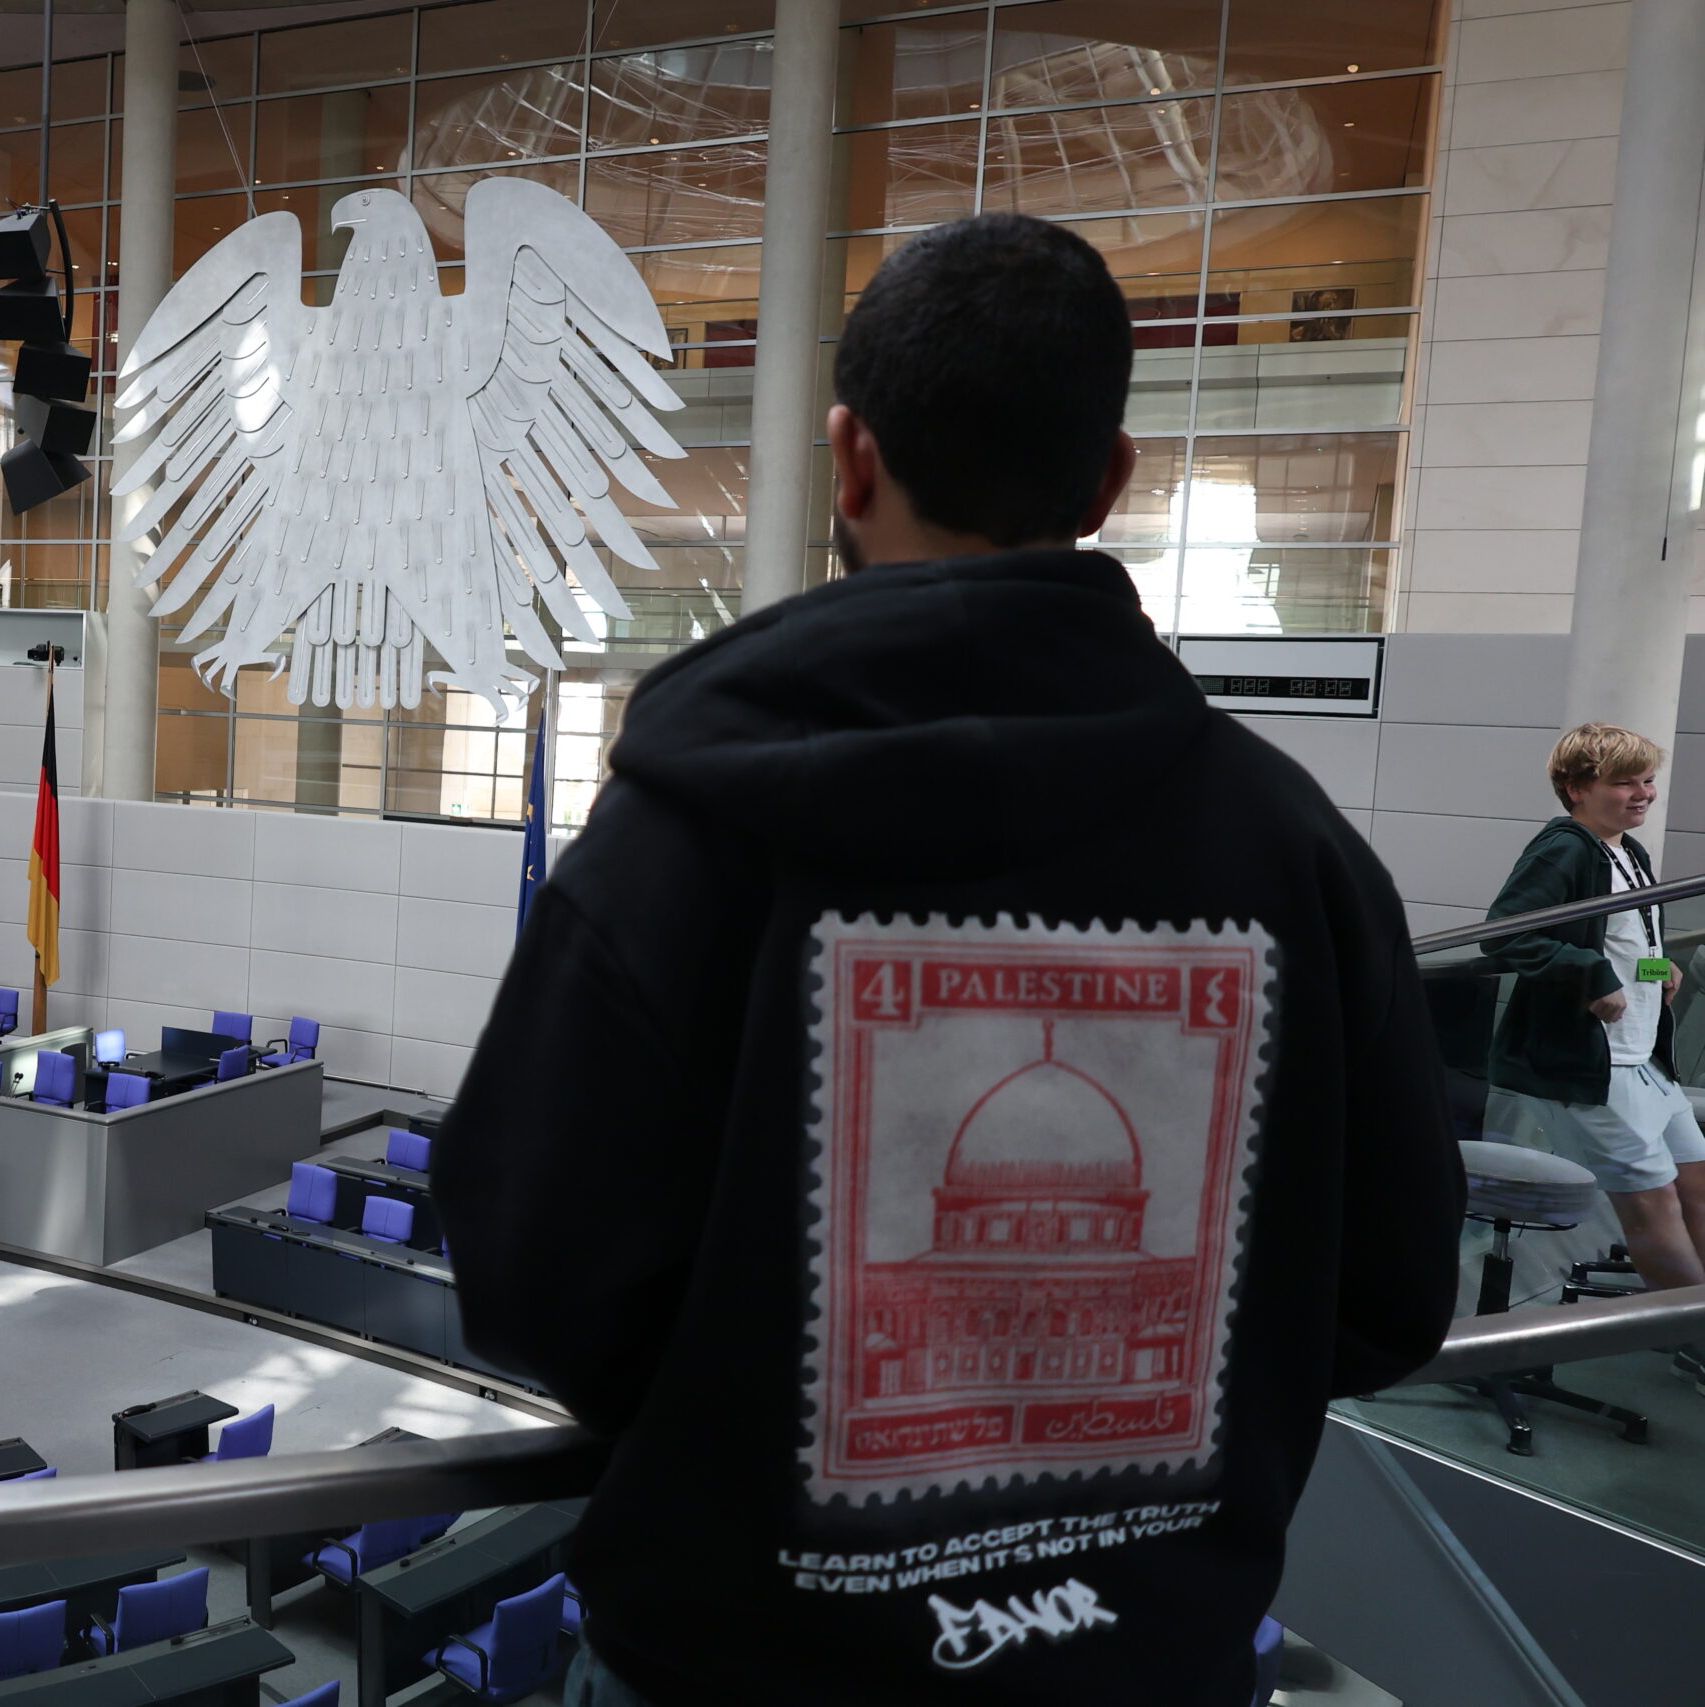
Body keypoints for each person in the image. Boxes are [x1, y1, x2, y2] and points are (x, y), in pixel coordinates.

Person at [434, 213, 1464, 1707]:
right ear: (1109, 482)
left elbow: (534, 1281)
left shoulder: (681, 840)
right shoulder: (1298, 853)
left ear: (848, 460)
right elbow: (1385, 1295)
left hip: (741, 1667)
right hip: (1143, 1667)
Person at [1484, 724, 1705, 1386]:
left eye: (1646, 779)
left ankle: (1689, 1316)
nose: (1643, 793)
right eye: (1625, 781)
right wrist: (1587, 973)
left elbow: (1630, 940)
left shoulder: (1627, 850)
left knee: (1696, 1183)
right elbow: (1505, 934)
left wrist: (1661, 968)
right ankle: (1694, 1337)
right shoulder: (1564, 846)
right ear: (1578, 789)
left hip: (1644, 1060)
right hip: (1589, 1070)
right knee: (1654, 1204)